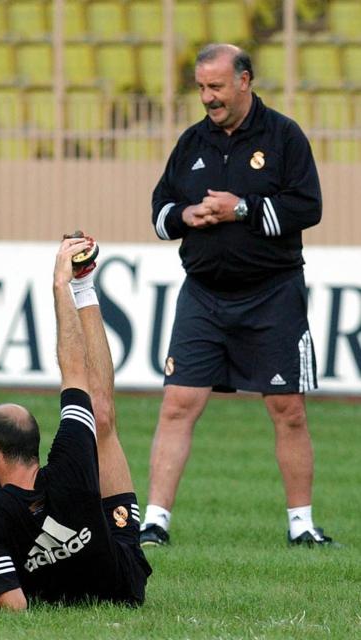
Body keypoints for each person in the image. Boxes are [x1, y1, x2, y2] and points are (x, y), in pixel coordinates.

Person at [142, 43, 335, 548]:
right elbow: (161, 211)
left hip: (272, 295)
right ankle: (154, 523)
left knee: (287, 408)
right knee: (177, 403)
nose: (208, 98)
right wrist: (186, 216)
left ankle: (302, 526)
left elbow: (307, 206)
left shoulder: (284, 136)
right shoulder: (190, 143)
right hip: (203, 296)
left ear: (245, 81)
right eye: (202, 88)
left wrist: (242, 209)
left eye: (217, 87)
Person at [0, 233, 152, 610]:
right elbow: (74, 370)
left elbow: (15, 608)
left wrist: (61, 282)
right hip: (121, 585)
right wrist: (67, 286)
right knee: (100, 414)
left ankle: (2, 569)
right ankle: (86, 287)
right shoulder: (72, 458)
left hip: (74, 581)